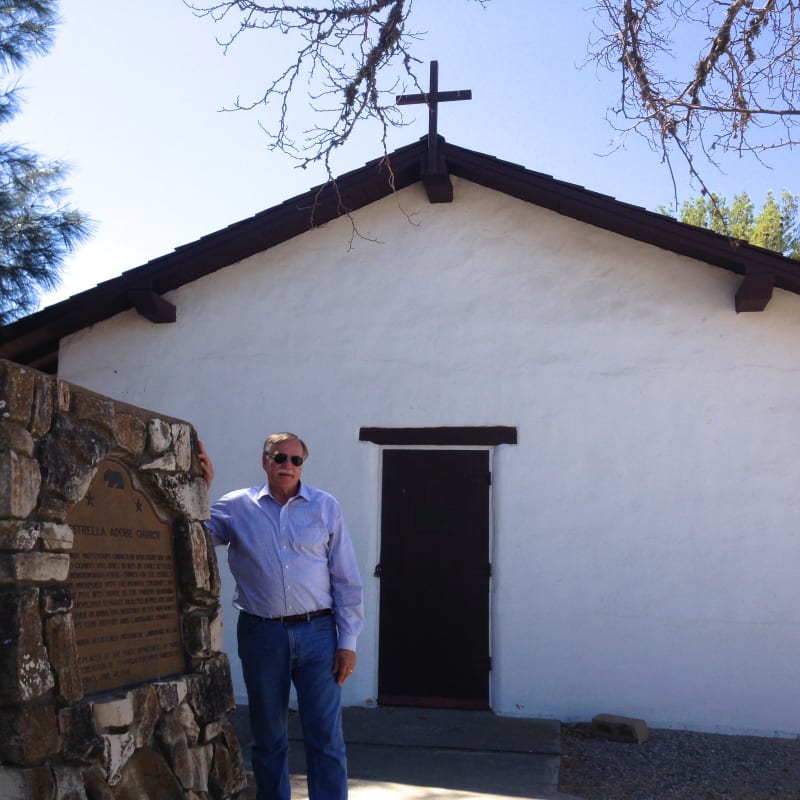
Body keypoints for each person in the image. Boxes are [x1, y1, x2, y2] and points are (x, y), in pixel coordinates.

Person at [199, 433, 363, 800]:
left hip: (319, 634)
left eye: (295, 460)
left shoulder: (325, 506)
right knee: (269, 737)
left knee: (325, 737)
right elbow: (196, 538)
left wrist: (348, 643)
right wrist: (202, 490)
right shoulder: (236, 506)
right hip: (262, 635)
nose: (287, 465)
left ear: (303, 464)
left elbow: (346, 578)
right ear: (265, 461)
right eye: (279, 458)